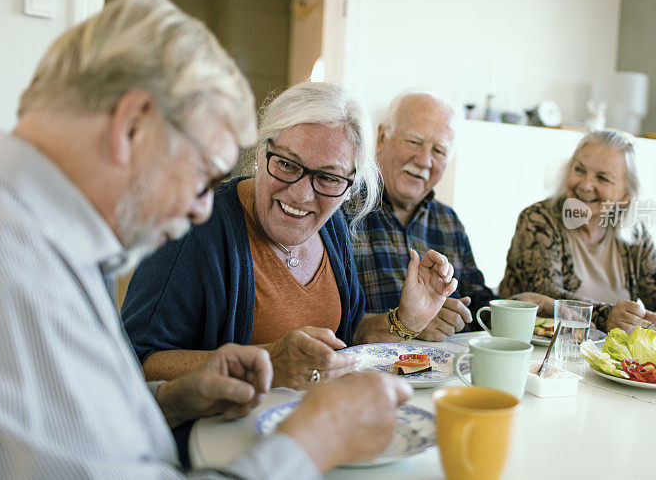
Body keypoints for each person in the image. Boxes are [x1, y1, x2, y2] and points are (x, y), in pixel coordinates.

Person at [0, 0, 412, 479]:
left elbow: (88, 434)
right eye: (205, 175)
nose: (204, 207)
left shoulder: (48, 239)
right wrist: (316, 440)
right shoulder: (11, 269)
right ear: (133, 127)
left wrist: (170, 402)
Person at [121, 82, 459, 389]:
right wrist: (268, 362)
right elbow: (135, 360)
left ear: (350, 184)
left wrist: (407, 320)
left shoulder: (333, 226)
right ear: (261, 152)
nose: (300, 195)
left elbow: (345, 337)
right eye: (286, 164)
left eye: (328, 178)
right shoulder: (196, 227)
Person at [498, 130, 656, 333]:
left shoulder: (634, 233)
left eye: (602, 178)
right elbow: (546, 294)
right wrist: (607, 316)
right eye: (579, 170)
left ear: (625, 195)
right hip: (538, 353)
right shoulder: (538, 219)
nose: (585, 185)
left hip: (604, 357)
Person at [348, 90, 499, 341]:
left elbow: (477, 301)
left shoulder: (449, 221)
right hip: (366, 376)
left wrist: (521, 304)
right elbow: (330, 322)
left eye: (439, 150)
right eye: (414, 142)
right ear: (382, 137)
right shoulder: (341, 209)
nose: (424, 160)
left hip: (445, 375)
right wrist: (410, 323)